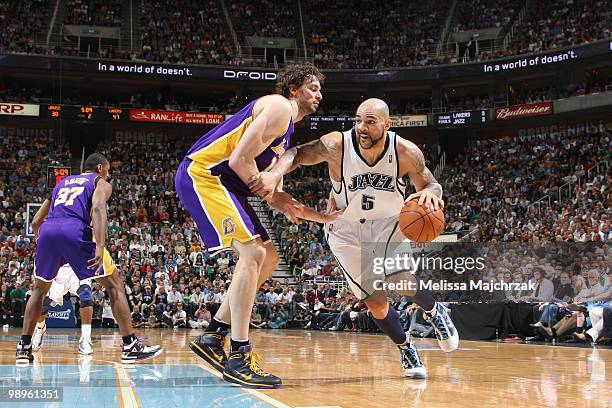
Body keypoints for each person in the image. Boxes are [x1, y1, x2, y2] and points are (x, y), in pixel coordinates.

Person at [253, 98, 459, 379]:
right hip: (346, 229)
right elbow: (297, 154)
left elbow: (430, 183)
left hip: (389, 225)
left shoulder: (405, 151)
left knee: (400, 279)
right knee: (376, 302)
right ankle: (405, 347)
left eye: (370, 122)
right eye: (358, 120)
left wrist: (432, 194)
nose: (362, 127)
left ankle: (435, 312)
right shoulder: (337, 145)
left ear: (387, 125)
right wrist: (275, 173)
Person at [177, 63, 336, 388]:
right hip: (204, 175)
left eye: (320, 89)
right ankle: (239, 354)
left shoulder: (287, 130)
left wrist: (323, 218)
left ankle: (213, 336)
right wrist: (271, 192)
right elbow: (238, 160)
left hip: (223, 183)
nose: (319, 93)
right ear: (293, 88)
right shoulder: (279, 107)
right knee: (253, 254)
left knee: (270, 257)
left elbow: (275, 194)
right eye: (312, 87)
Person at [16, 153, 162, 365]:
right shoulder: (98, 182)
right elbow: (97, 208)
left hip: (48, 231)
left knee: (39, 290)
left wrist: (43, 241)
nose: (109, 174)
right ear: (101, 168)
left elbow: (37, 221)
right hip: (75, 231)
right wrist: (100, 245)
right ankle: (130, 345)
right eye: (109, 170)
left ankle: (24, 347)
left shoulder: (61, 183)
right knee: (114, 286)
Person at [31, 263, 98, 355]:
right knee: (41, 303)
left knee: (86, 296)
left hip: (76, 268)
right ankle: (40, 328)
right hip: (55, 269)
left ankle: (85, 339)